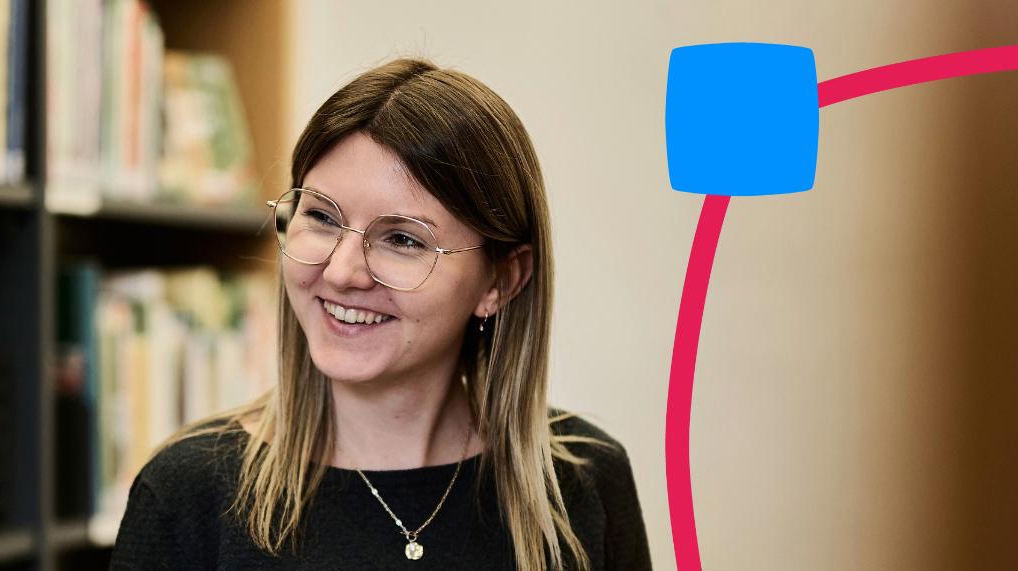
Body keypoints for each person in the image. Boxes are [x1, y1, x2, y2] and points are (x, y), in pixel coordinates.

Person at [110, 58, 652, 570]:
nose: (343, 272)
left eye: (401, 239)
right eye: (321, 216)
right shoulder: (187, 494)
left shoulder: (585, 484)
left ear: (500, 280)